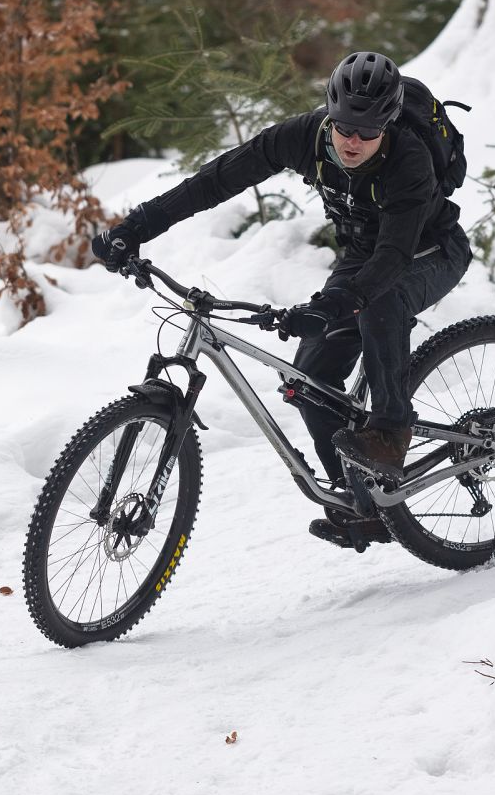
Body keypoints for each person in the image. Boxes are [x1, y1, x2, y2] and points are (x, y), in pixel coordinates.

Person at [91, 51, 472, 549]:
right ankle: (366, 504)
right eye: (345, 127)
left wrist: (336, 303)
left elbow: (394, 256)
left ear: (388, 124)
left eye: (368, 132)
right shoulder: (304, 137)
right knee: (310, 380)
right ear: (330, 114)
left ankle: (389, 432)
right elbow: (217, 179)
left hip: (430, 250)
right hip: (365, 253)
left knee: (382, 302)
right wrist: (136, 227)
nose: (353, 141)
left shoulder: (409, 158)